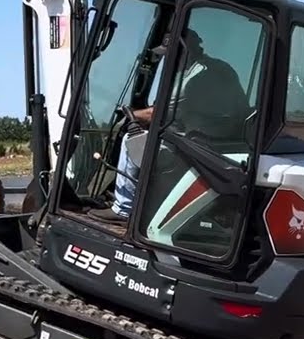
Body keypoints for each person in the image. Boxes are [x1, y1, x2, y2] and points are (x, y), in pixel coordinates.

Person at [86, 28, 248, 225]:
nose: (166, 61)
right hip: (220, 140)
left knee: (131, 141)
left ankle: (123, 208)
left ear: (182, 51)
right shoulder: (218, 68)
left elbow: (158, 113)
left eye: (169, 55)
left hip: (196, 145)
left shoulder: (193, 80)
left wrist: (129, 116)